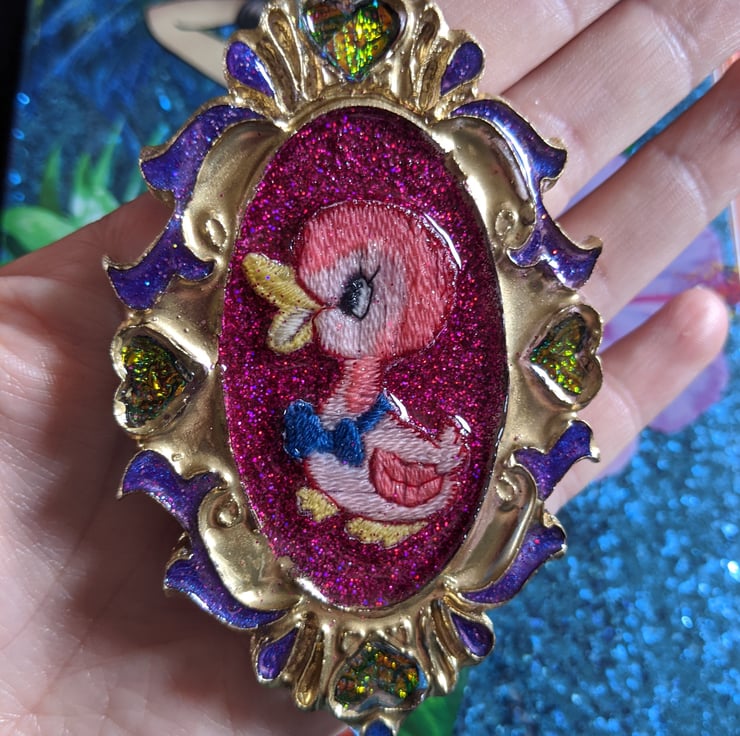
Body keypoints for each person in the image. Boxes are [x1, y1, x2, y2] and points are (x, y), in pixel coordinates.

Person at [0, 1, 737, 734]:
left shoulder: (383, 435)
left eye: (346, 293)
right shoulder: (320, 407)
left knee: (385, 469)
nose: (307, 305)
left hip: (399, 515)